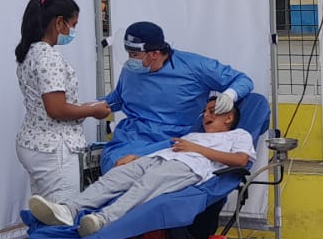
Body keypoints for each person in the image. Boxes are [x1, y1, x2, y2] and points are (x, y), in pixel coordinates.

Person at [29, 97, 254, 239]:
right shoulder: (195, 135)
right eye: (204, 111)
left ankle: (102, 220)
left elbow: (241, 160)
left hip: (188, 167)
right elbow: (167, 147)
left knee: (145, 187)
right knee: (114, 177)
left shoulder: (238, 135)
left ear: (229, 118)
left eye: (213, 111)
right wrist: (137, 156)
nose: (206, 115)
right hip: (158, 158)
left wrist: (196, 148)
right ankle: (69, 210)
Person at [14, 0, 112, 239]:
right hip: (55, 150)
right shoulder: (49, 57)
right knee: (60, 221)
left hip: (35, 144)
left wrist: (84, 107)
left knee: (41, 219)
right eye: (73, 24)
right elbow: (56, 109)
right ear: (59, 23)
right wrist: (92, 111)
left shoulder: (29, 52)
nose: (73, 31)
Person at [100, 21, 253, 170]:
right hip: (130, 136)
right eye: (128, 53)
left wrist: (230, 94)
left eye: (134, 54)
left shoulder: (195, 67)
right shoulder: (132, 69)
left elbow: (243, 80)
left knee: (141, 171)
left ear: (155, 53)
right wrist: (93, 107)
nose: (130, 59)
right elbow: (118, 98)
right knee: (116, 166)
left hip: (172, 139)